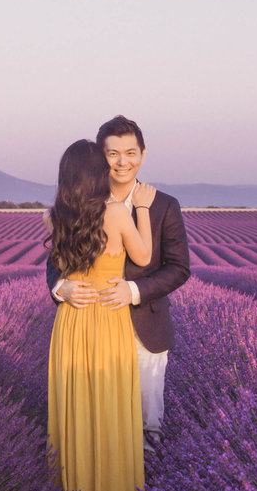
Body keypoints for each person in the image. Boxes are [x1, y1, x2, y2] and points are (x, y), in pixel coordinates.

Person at [46, 116, 191, 450]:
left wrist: (133, 290)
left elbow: (180, 268)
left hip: (143, 327)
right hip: (90, 327)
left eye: (131, 152)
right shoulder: (79, 205)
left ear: (143, 154)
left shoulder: (164, 205)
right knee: (94, 420)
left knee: (144, 427)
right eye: (113, 154)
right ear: (100, 157)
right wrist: (61, 288)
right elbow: (55, 261)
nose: (123, 161)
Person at [45, 139, 157, 491]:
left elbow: (57, 268)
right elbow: (143, 258)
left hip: (72, 322)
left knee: (75, 415)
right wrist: (141, 209)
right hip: (109, 320)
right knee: (110, 415)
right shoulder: (115, 212)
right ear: (98, 173)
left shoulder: (53, 217)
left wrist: (64, 288)